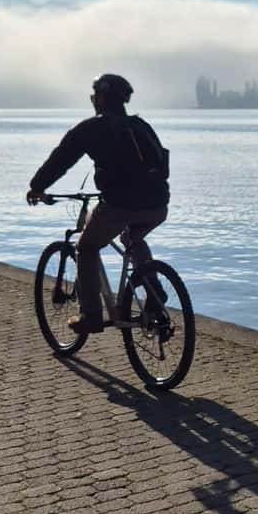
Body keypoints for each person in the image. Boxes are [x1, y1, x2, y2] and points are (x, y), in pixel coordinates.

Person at [27, 73, 170, 334]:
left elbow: (61, 159)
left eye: (95, 96)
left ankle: (91, 316)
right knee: (133, 238)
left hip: (120, 204)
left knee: (87, 247)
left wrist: (37, 186)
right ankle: (154, 290)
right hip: (158, 204)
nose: (93, 101)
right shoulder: (141, 126)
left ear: (102, 98)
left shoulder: (92, 128)